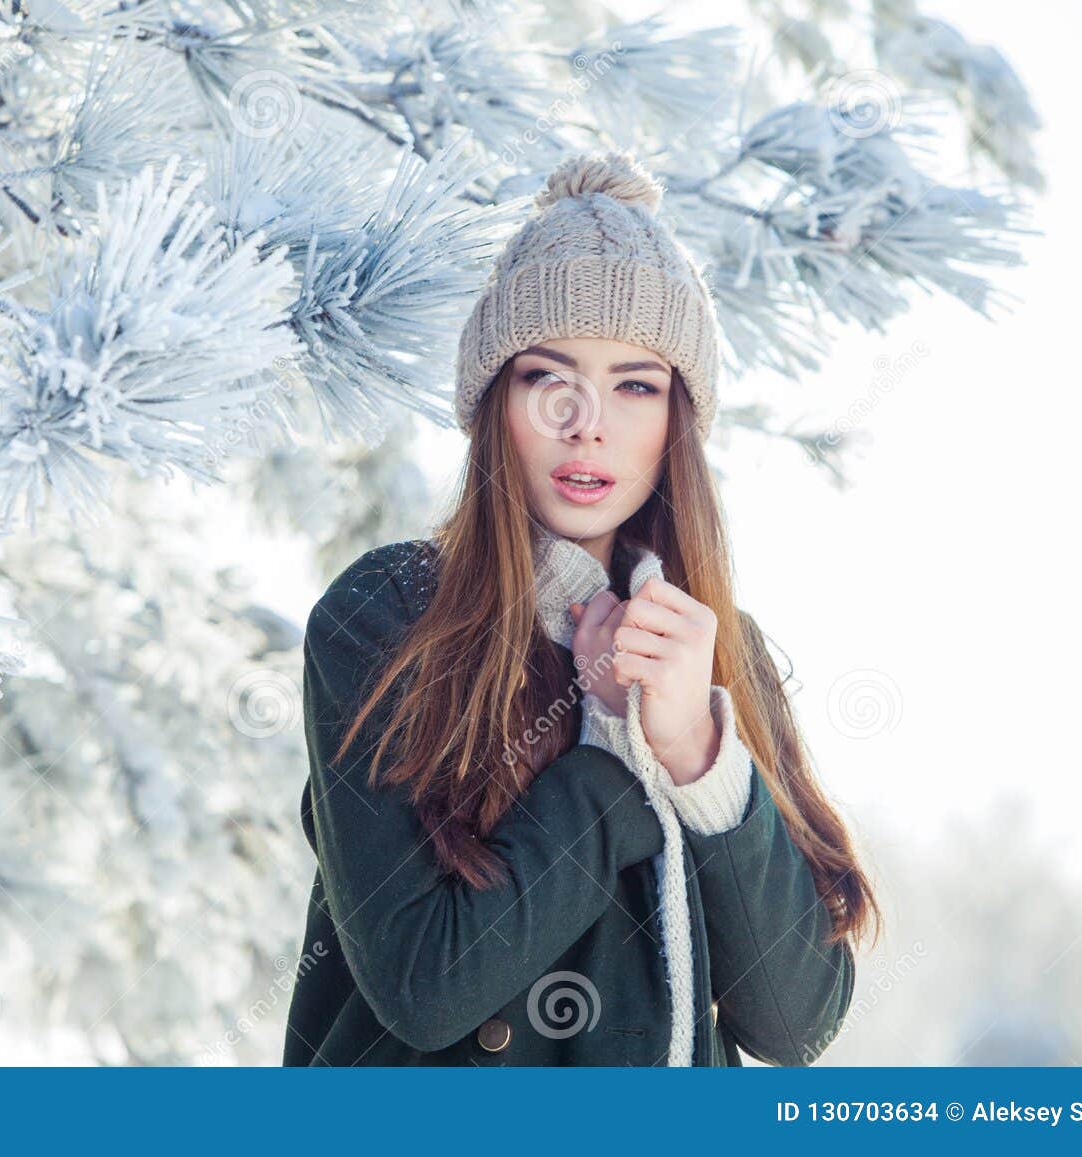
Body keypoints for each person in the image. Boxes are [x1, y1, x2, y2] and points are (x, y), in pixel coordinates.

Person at [282, 151, 879, 1067]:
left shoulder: (721, 651)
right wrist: (607, 749)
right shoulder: (390, 615)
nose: (587, 421)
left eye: (636, 384)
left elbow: (796, 1021)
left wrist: (694, 752)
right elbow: (428, 986)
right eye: (546, 378)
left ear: (678, 416)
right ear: (496, 402)